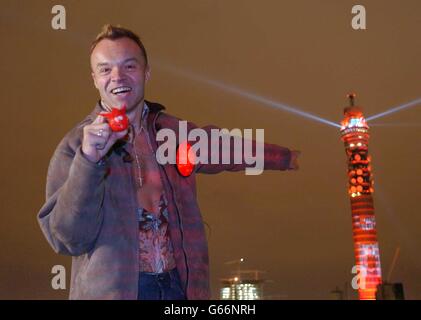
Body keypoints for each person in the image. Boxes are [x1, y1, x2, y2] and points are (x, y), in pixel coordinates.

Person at [38, 24, 300, 300]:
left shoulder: (172, 133)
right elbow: (66, 237)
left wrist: (287, 158)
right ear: (94, 78)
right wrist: (89, 160)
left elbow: (228, 147)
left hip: (180, 289)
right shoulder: (75, 146)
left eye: (129, 66)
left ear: (146, 72)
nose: (117, 76)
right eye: (105, 69)